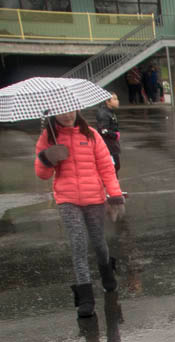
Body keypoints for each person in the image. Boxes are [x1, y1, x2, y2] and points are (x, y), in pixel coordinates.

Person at [35, 109, 124, 317]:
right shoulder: (48, 137)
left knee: (98, 242)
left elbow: (106, 168)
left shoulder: (91, 134)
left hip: (94, 198)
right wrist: (48, 158)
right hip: (67, 200)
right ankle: (85, 297)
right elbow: (42, 174)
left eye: (70, 111)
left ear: (77, 110)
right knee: (78, 244)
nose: (67, 116)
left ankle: (107, 272)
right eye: (61, 113)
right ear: (53, 115)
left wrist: (115, 195)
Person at [95, 92, 121, 173]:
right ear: (107, 101)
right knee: (113, 167)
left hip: (112, 145)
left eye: (117, 99)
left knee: (115, 166)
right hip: (108, 146)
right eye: (115, 99)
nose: (117, 101)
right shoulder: (104, 114)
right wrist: (115, 135)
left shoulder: (110, 112)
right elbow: (103, 130)